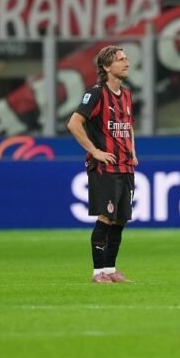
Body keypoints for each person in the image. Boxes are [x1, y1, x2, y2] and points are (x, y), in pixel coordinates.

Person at [67, 46, 137, 284]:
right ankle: (98, 273)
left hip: (125, 166)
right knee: (106, 217)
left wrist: (133, 151)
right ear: (106, 67)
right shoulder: (96, 94)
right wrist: (95, 151)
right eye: (120, 60)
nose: (127, 63)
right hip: (106, 168)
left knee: (120, 219)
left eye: (126, 58)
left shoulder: (126, 95)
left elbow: (128, 125)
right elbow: (74, 124)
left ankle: (110, 268)